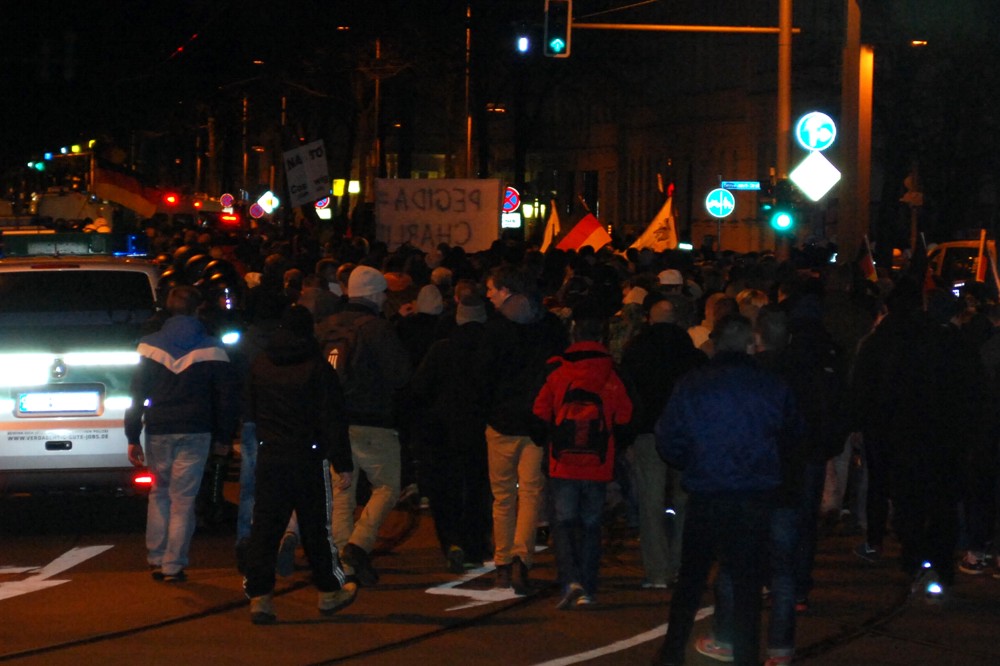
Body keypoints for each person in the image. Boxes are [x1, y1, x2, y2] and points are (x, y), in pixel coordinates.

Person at [652, 314, 801, 666]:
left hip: (706, 492)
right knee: (747, 584)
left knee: (691, 581)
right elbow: (793, 435)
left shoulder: (693, 383)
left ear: (716, 344)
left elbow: (668, 437)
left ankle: (672, 653)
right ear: (751, 344)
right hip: (752, 495)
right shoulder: (771, 385)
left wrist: (692, 460)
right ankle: (746, 656)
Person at [242, 305, 357, 624]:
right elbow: (332, 418)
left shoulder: (261, 363)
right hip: (307, 456)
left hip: (271, 455)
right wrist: (342, 462)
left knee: (265, 527)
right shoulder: (317, 367)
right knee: (317, 527)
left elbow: (250, 407)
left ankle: (260, 596)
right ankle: (329, 590)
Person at [125, 285, 240, 583]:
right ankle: (173, 565)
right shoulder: (212, 348)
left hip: (159, 428)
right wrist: (224, 437)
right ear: (197, 309)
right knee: (184, 498)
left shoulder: (149, 346)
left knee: (159, 492)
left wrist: (132, 435)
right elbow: (226, 398)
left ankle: (156, 557)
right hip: (196, 429)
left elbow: (136, 394)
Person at [317, 265, 413, 587]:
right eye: (383, 292)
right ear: (372, 294)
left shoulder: (326, 326)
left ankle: (345, 563)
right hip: (373, 422)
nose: (385, 297)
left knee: (342, 492)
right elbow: (400, 374)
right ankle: (359, 543)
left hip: (335, 422)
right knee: (388, 487)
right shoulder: (377, 328)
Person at [532, 303, 633, 609]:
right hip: (598, 463)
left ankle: (570, 579)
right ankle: (588, 586)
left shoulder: (559, 372)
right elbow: (625, 416)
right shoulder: (612, 375)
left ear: (573, 335)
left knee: (563, 523)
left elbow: (539, 411)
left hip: (562, 463)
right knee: (591, 524)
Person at [477, 265, 568, 593]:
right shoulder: (551, 325)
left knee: (503, 495)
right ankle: (521, 558)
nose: (489, 295)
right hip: (538, 422)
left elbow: (483, 376)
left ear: (506, 291)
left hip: (501, 421)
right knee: (531, 493)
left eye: (492, 289)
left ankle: (502, 561)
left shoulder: (495, 328)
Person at [619, 294, 706, 590]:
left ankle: (657, 571)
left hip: (648, 433)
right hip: (685, 434)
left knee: (650, 501)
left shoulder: (636, 350)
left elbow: (629, 394)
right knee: (684, 500)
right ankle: (682, 565)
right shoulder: (690, 352)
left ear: (650, 319)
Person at [409, 294, 492, 572]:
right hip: (481, 429)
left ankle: (452, 541)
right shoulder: (491, 348)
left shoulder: (441, 349)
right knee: (479, 488)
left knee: (446, 489)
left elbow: (419, 388)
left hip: (443, 429)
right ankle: (476, 543)